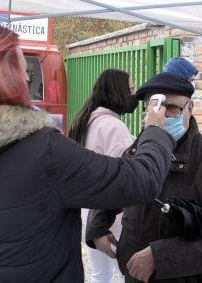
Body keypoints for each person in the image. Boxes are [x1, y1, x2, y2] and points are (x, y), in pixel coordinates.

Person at [0, 21, 174, 282]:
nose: (26, 78)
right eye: (23, 70)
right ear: (1, 77)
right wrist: (156, 131)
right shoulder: (41, 152)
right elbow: (141, 181)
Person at [86, 72, 202, 282]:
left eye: (171, 108)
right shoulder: (139, 150)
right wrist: (97, 227)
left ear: (189, 109)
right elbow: (113, 187)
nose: (161, 117)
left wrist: (160, 257)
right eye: (155, 109)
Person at [69, 69, 138, 283]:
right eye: (131, 89)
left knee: (100, 275)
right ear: (118, 91)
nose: (134, 95)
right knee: (123, 272)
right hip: (109, 216)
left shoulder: (85, 120)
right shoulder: (113, 127)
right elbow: (124, 179)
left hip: (86, 212)